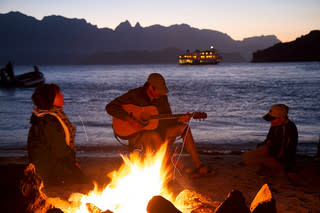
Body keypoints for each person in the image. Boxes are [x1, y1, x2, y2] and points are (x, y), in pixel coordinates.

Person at [105, 73, 213, 177]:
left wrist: (179, 119)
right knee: (155, 136)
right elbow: (110, 107)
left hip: (158, 131)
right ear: (151, 88)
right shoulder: (134, 95)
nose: (161, 94)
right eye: (159, 91)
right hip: (137, 135)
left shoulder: (162, 98)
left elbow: (167, 120)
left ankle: (199, 166)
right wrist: (129, 119)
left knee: (184, 128)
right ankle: (181, 168)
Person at [27, 83, 88, 185]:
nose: (62, 95)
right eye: (58, 94)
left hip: (51, 165)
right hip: (51, 170)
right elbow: (60, 149)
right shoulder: (47, 122)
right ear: (50, 99)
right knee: (82, 182)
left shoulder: (47, 117)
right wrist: (73, 164)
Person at [242, 104, 298, 173]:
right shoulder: (275, 124)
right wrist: (263, 146)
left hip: (281, 158)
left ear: (282, 118)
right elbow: (268, 139)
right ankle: (264, 164)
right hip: (271, 150)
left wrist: (266, 157)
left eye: (272, 119)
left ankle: (272, 167)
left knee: (252, 158)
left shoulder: (289, 129)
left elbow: (285, 151)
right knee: (246, 157)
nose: (271, 121)